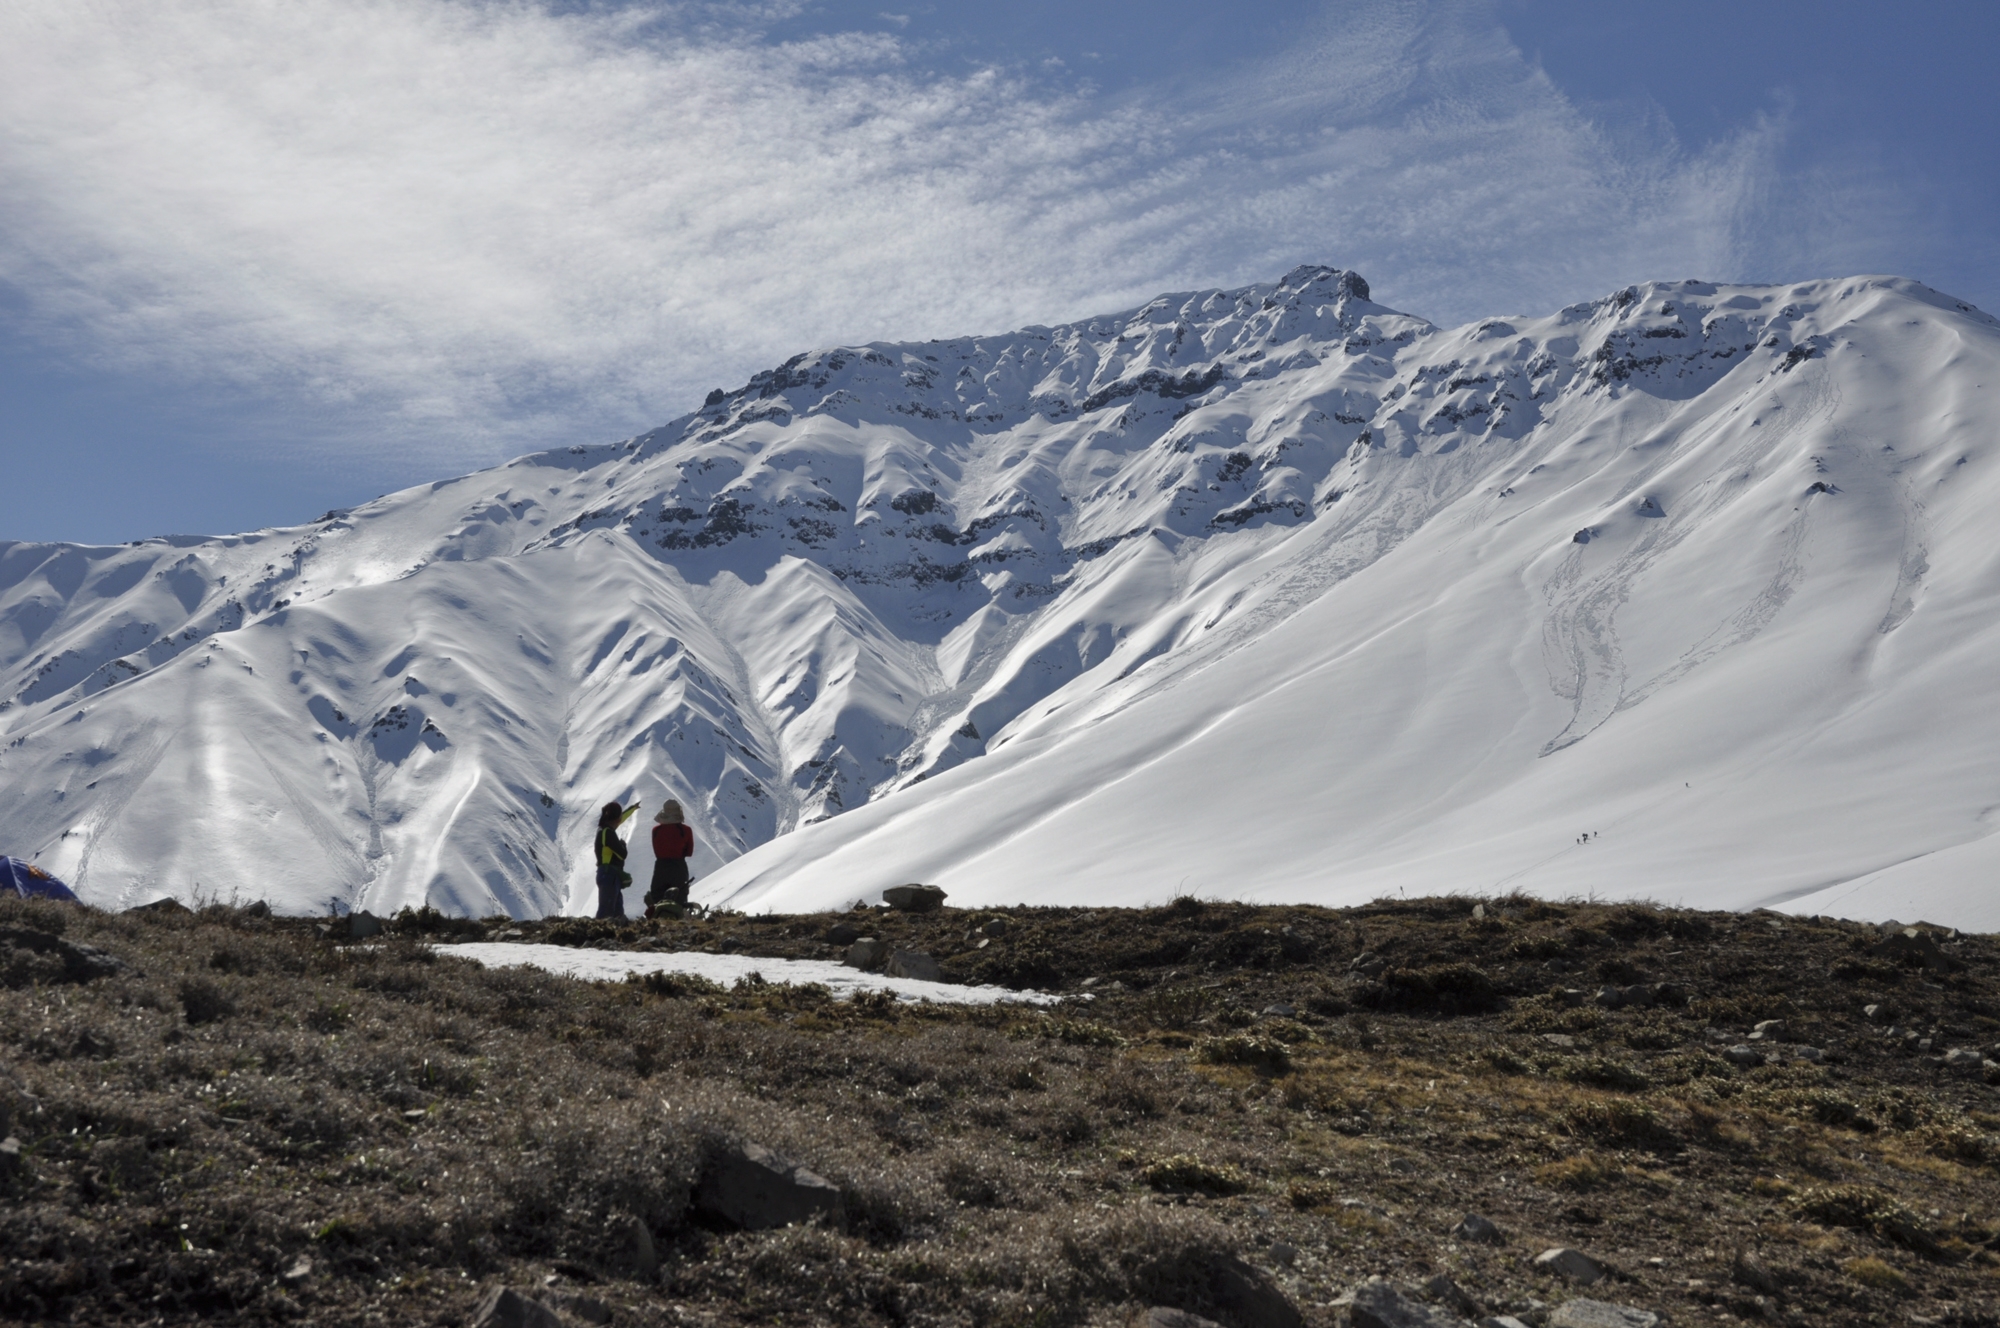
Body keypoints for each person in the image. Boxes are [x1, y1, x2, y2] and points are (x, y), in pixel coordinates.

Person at [646, 800, 695, 917]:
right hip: (679, 867)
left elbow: (656, 851)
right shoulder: (686, 830)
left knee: (657, 898)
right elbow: (689, 852)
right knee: (679, 899)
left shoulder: (656, 830)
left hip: (660, 867)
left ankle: (657, 922)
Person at [593, 801, 638, 919]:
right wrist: (623, 844)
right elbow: (622, 854)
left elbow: (620, 818)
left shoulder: (603, 828)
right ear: (616, 819)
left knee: (614, 912)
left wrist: (632, 809)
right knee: (607, 912)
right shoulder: (609, 833)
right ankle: (599, 935)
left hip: (605, 873)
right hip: (610, 875)